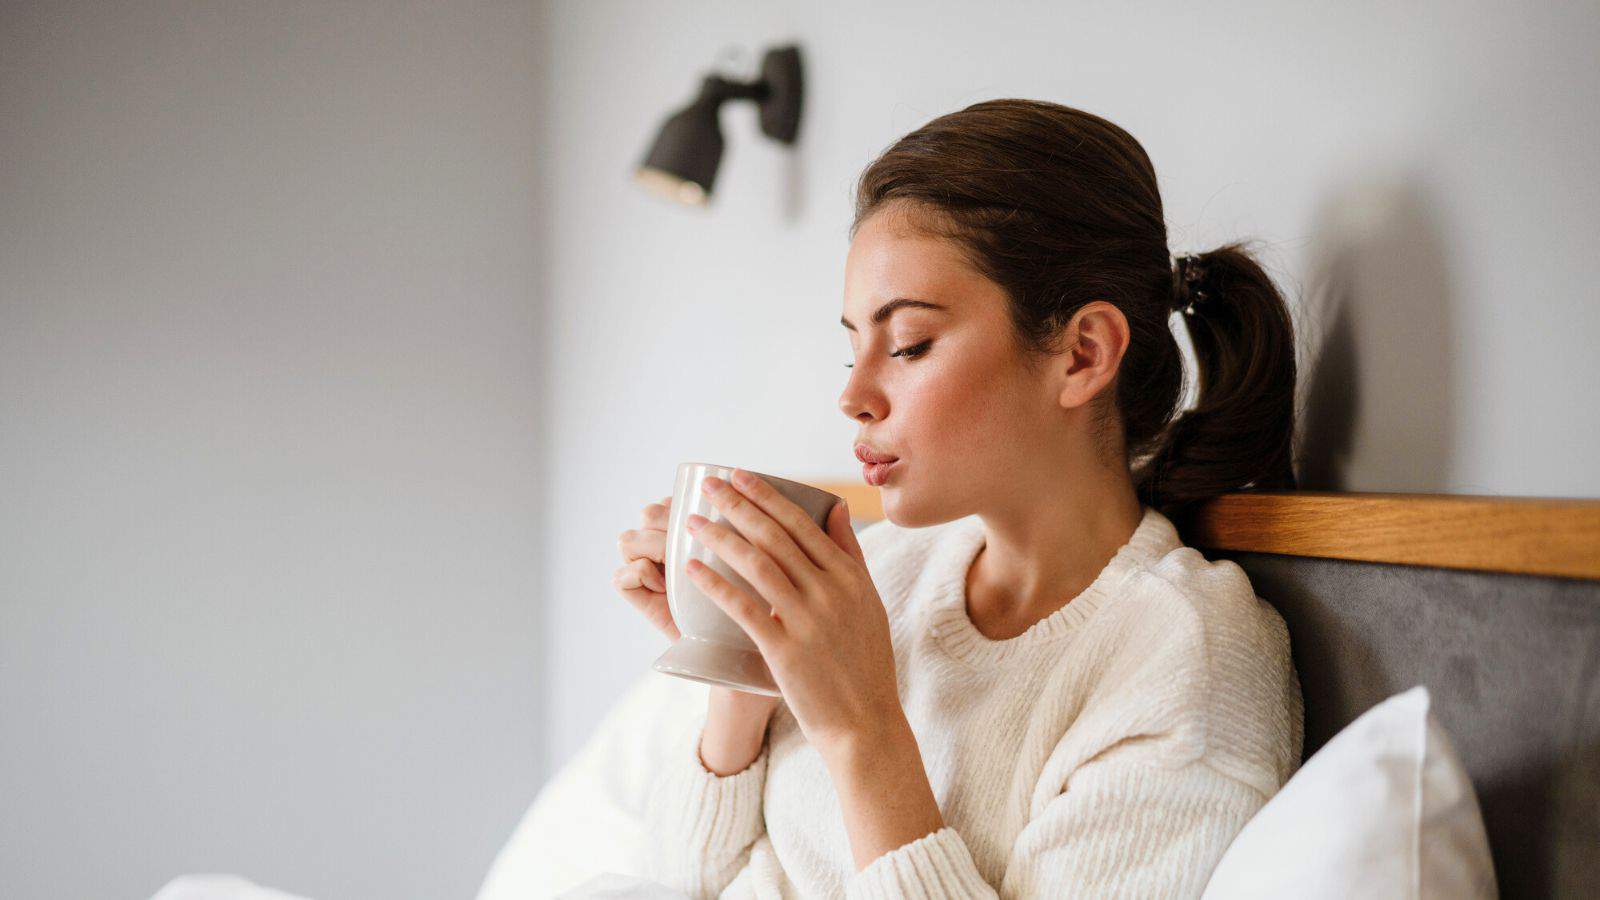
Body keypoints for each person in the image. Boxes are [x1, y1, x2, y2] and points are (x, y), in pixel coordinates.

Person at [612, 98, 1304, 898]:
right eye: (852, 351)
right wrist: (743, 664)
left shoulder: (1186, 663)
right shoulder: (884, 573)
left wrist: (862, 730)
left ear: (1082, 354)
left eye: (908, 344)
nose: (855, 397)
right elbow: (677, 883)